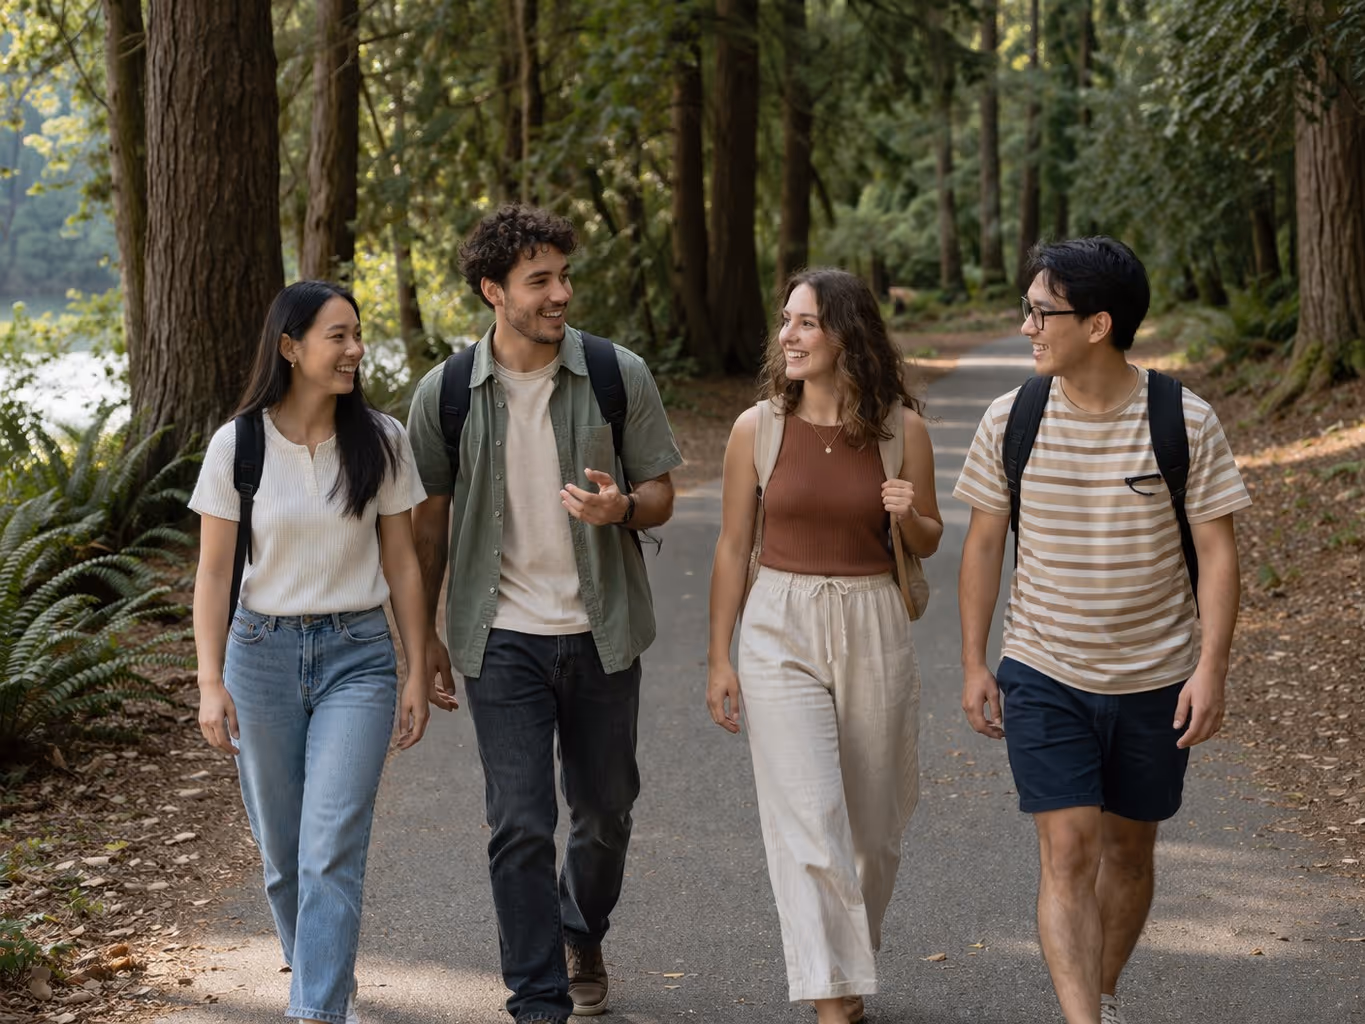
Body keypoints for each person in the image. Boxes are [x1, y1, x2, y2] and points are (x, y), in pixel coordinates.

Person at [954, 237, 1251, 1024]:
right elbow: (984, 543)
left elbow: (1218, 553)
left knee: (1128, 853)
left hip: (1156, 676)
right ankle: (1081, 1019)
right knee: (1067, 851)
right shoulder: (1010, 417)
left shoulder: (1180, 419)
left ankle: (1104, 991)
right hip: (1043, 668)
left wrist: (1210, 668)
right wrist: (973, 662)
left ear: (1096, 324)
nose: (1025, 327)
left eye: (1039, 311)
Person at [406, 204, 683, 1024]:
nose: (560, 293)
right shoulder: (447, 393)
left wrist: (623, 508)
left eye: (564, 275)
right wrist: (420, 633)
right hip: (501, 641)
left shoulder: (613, 372)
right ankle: (537, 997)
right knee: (519, 823)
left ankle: (579, 928)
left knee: (604, 813)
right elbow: (427, 525)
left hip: (601, 636)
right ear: (494, 291)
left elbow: (663, 491)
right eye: (540, 281)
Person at [191, 281, 438, 1024]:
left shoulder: (383, 440)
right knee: (282, 850)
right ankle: (325, 979)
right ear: (291, 347)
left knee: (330, 845)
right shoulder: (239, 445)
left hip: (356, 656)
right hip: (259, 655)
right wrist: (209, 680)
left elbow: (402, 564)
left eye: (357, 334)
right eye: (338, 335)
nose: (355, 349)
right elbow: (210, 571)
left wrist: (416, 665)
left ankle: (317, 1010)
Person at [707, 268, 943, 1024]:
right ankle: (833, 999)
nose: (788, 336)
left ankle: (842, 960)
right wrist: (720, 655)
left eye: (805, 322)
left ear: (847, 333)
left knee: (874, 829)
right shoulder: (758, 430)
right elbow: (730, 546)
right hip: (779, 623)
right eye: (785, 322)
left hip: (873, 618)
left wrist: (907, 515)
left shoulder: (901, 430)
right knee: (808, 819)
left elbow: (929, 538)